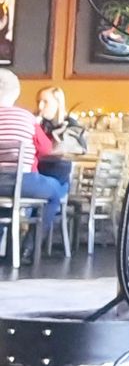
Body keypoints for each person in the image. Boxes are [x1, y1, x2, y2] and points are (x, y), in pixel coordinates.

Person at [0, 70, 70, 254]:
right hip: (23, 181)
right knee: (56, 192)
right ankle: (29, 248)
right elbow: (46, 149)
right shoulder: (26, 118)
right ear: (16, 93)